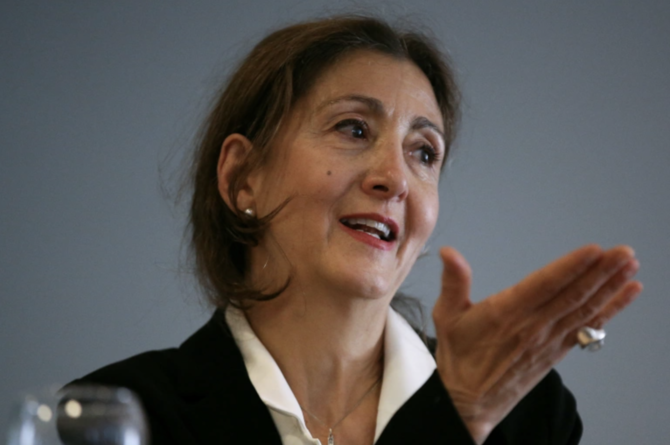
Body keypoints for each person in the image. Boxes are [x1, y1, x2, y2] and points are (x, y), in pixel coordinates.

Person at [71, 15, 642, 445]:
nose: (395, 178)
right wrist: (451, 419)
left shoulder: (529, 416)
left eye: (424, 152)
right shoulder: (119, 416)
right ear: (244, 178)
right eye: (353, 129)